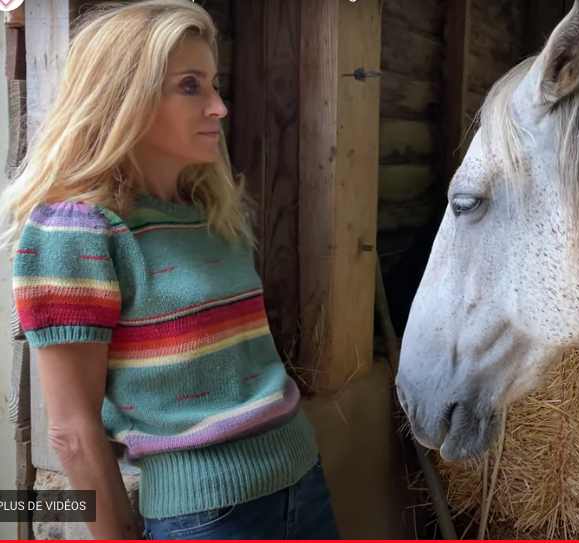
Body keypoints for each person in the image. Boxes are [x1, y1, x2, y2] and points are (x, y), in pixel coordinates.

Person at [0, 0, 340, 539]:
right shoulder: (76, 230)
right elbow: (72, 431)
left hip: (304, 480)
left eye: (213, 84)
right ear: (123, 96)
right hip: (208, 516)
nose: (219, 107)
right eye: (190, 86)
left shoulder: (211, 213)